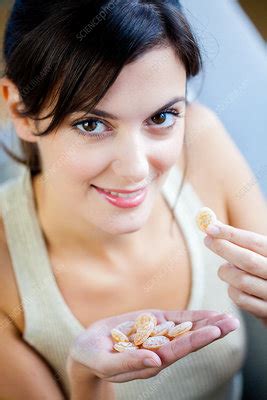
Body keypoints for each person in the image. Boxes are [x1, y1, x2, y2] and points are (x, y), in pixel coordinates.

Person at [0, 1, 266, 399]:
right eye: (92, 124)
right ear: (20, 110)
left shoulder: (204, 140)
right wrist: (86, 378)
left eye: (161, 118)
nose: (136, 169)